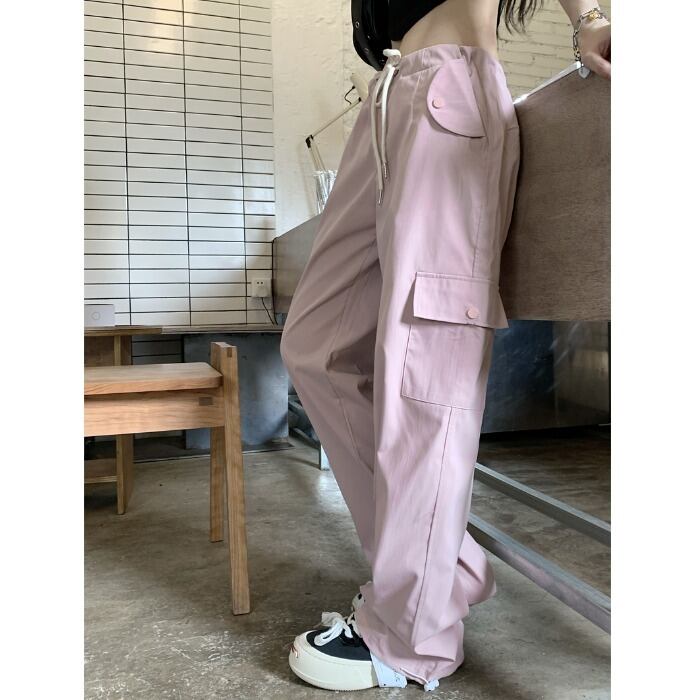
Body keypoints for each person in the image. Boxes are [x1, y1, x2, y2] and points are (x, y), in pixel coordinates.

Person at [281, 0, 611, 692]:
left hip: (447, 91)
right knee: (316, 344)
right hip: (388, 100)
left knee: (426, 365)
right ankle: (439, 569)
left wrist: (588, 18)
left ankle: (415, 637)